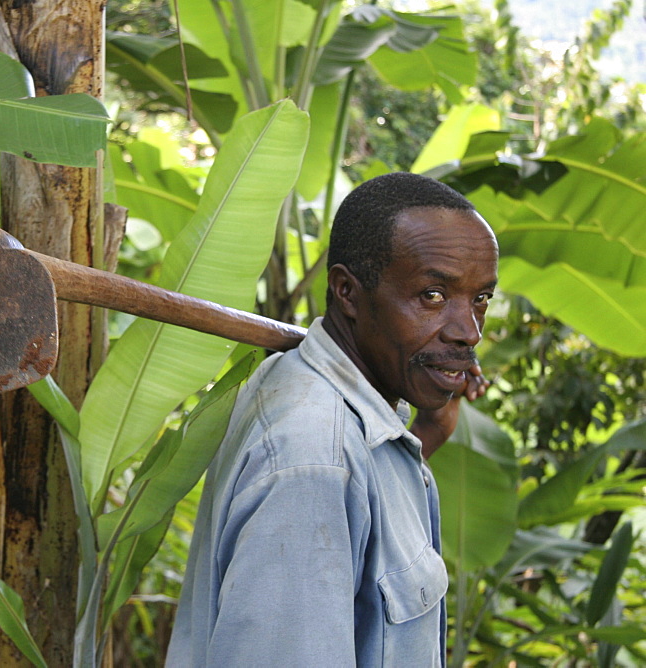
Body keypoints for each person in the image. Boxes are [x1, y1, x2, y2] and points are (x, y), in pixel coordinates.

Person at [166, 172, 499, 666]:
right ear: (347, 291)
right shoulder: (312, 458)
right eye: (432, 295)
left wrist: (428, 432)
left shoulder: (329, 405)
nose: (468, 331)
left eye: (480, 299)